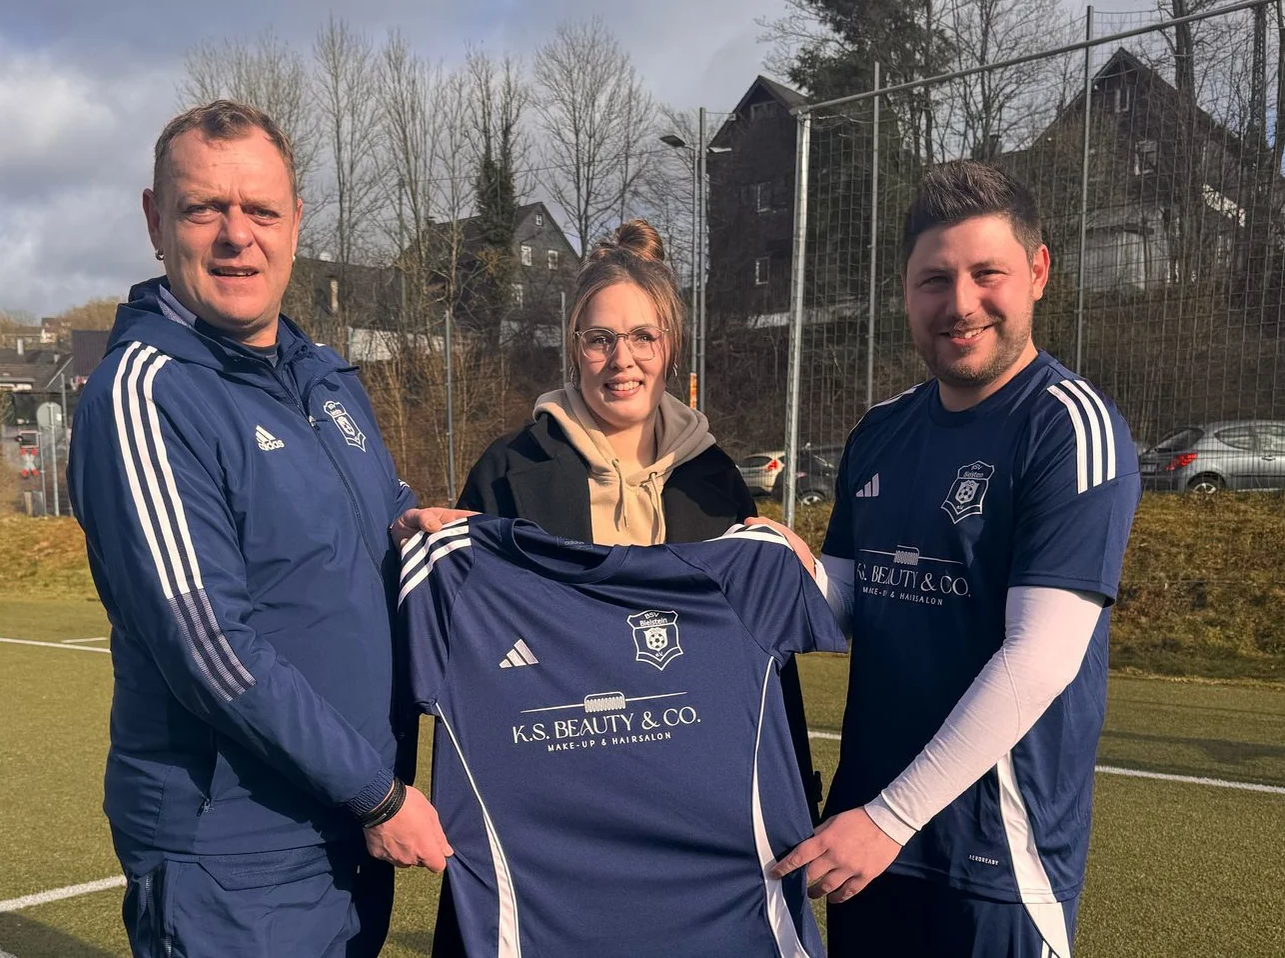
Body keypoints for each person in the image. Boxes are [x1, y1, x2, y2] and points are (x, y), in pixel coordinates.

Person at [67, 99, 458, 958]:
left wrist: (424, 529)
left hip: (338, 827)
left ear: (295, 224)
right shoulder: (147, 395)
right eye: (205, 208)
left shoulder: (322, 377)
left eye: (261, 210)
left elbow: (374, 518)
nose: (236, 235)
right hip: (237, 855)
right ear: (154, 221)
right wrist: (379, 797)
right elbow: (209, 646)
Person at [769, 161, 1141, 957]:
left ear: (1037, 273)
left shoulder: (1068, 428)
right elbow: (847, 594)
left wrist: (889, 819)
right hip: (865, 843)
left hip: (993, 854)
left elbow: (1039, 656)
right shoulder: (880, 429)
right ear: (905, 293)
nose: (960, 303)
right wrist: (761, 564)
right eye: (934, 280)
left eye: (986, 274)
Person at [441, 218, 823, 953]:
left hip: (694, 816)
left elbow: (754, 669)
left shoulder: (713, 480)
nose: (622, 360)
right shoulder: (507, 471)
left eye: (643, 337)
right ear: (572, 349)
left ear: (669, 347)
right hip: (553, 822)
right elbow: (470, 652)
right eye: (599, 339)